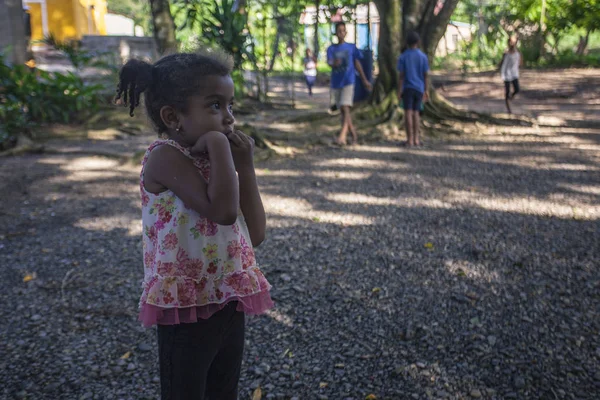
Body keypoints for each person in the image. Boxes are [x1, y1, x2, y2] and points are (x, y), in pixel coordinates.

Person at [115, 52, 274, 400]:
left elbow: (256, 234)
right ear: (173, 117)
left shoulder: (216, 161)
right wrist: (219, 145)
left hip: (230, 297)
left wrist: (244, 167)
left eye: (230, 106)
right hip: (184, 307)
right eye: (216, 106)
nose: (229, 119)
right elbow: (223, 212)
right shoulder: (164, 156)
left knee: (223, 390)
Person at [327, 22, 373, 146]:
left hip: (349, 81)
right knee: (342, 110)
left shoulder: (351, 47)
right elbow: (329, 62)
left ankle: (342, 137)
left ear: (346, 32)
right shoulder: (331, 49)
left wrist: (364, 80)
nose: (341, 33)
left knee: (345, 107)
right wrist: (333, 63)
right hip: (336, 83)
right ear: (335, 33)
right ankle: (353, 135)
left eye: (343, 30)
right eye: (339, 31)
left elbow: (357, 64)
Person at [397, 31, 429, 147]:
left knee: (408, 113)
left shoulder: (403, 56)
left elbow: (401, 76)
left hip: (408, 88)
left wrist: (399, 91)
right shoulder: (423, 57)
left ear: (407, 43)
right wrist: (426, 90)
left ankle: (409, 139)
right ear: (418, 42)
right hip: (419, 88)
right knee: (416, 113)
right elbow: (426, 75)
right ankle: (416, 139)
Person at [500, 36, 522, 114]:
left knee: (517, 89)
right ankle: (509, 109)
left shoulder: (517, 53)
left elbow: (520, 62)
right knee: (507, 92)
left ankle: (510, 98)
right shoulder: (506, 53)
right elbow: (502, 63)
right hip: (506, 74)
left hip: (514, 74)